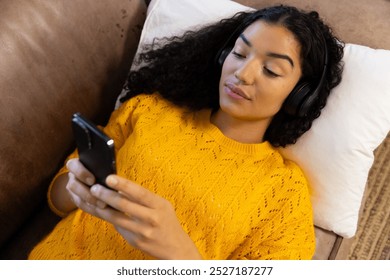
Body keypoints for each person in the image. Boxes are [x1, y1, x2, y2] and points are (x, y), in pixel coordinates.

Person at [29, 5, 344, 260]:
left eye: (271, 70)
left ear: (301, 96)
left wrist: (180, 254)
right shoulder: (149, 111)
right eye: (239, 53)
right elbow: (57, 200)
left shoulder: (283, 194)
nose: (243, 74)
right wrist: (76, 188)